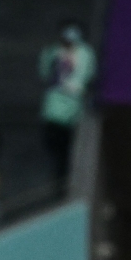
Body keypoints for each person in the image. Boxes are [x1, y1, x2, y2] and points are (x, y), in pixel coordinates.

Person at [38, 23, 96, 183]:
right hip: (53, 109)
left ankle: (63, 179)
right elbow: (44, 73)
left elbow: (88, 76)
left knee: (66, 151)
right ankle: (57, 178)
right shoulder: (53, 52)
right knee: (53, 149)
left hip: (72, 111)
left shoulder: (85, 54)